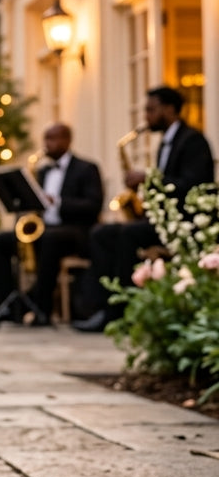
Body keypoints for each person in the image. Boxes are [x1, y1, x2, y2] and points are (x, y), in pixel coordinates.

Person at [74, 87, 215, 332]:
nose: (146, 116)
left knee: (128, 235)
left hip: (185, 223)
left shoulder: (193, 140)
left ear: (169, 109)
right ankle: (104, 306)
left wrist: (149, 178)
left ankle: (122, 313)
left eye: (151, 110)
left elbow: (194, 184)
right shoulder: (165, 143)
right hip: (163, 220)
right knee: (101, 233)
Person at [0, 123, 103, 327]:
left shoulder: (86, 168)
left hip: (76, 231)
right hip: (45, 229)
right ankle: (8, 306)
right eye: (46, 139)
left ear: (67, 140)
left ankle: (43, 309)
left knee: (50, 240)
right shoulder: (43, 171)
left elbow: (93, 205)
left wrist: (57, 202)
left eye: (53, 139)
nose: (47, 144)